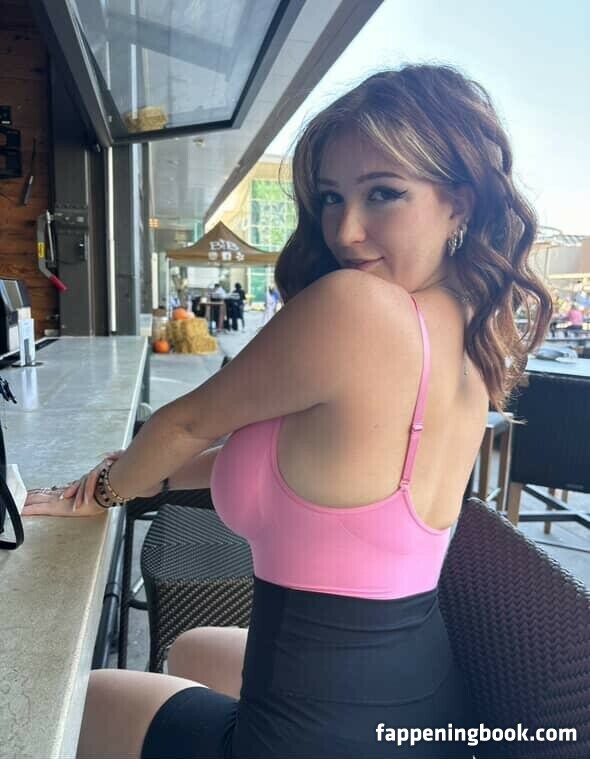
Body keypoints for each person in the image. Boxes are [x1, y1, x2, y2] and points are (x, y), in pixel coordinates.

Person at [23, 64, 552, 759]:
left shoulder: (358, 308)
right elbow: (300, 466)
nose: (346, 230)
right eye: (331, 197)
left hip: (314, 732)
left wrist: (98, 494)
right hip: (420, 704)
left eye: (383, 193)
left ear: (459, 202)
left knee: (82, 698)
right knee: (192, 646)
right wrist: (145, 474)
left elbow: (184, 424)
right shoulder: (472, 337)